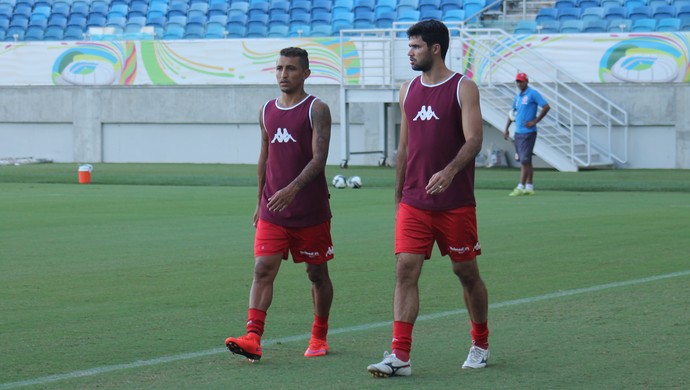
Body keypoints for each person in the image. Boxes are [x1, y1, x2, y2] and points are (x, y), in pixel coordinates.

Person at [367, 20, 489, 378]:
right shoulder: (407, 90)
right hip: (414, 203)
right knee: (405, 269)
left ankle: (480, 342)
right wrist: (398, 200)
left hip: (456, 204)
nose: (410, 52)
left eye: (416, 47)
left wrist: (450, 172)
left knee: (465, 273)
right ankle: (399, 355)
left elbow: (474, 140)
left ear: (435, 48)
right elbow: (403, 150)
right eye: (409, 47)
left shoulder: (463, 88)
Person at [225, 47, 334, 362]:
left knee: (317, 275)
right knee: (262, 269)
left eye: (291, 69)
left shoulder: (317, 109)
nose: (283, 75)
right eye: (279, 68)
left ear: (306, 74)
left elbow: (319, 158)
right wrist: (261, 200)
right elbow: (265, 156)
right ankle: (253, 337)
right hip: (273, 209)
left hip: (310, 212)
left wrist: (294, 188)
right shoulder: (266, 110)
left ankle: (319, 334)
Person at [503, 72, 550, 196]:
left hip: (528, 133)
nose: (519, 83)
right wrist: (506, 128)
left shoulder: (532, 93)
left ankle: (520, 186)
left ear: (526, 82)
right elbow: (512, 113)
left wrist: (535, 121)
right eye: (517, 81)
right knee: (526, 161)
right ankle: (529, 187)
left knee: (524, 160)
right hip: (518, 132)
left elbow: (546, 106)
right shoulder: (518, 97)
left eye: (521, 81)